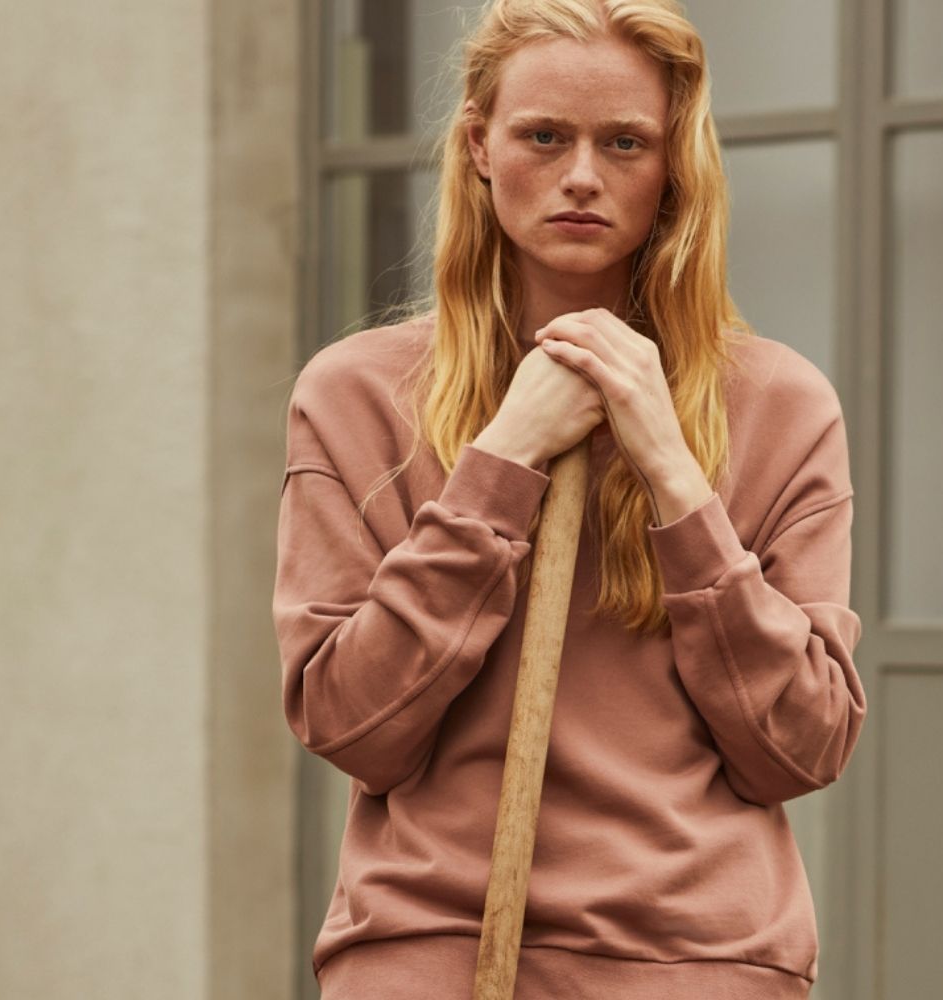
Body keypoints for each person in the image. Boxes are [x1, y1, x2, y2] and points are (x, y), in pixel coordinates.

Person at [272, 1, 865, 996]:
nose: (582, 175)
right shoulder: (356, 396)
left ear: (673, 162)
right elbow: (349, 722)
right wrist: (501, 460)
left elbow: (798, 746)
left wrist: (675, 476)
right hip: (433, 952)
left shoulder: (779, 406)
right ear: (477, 146)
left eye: (624, 142)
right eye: (543, 136)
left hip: (696, 961)